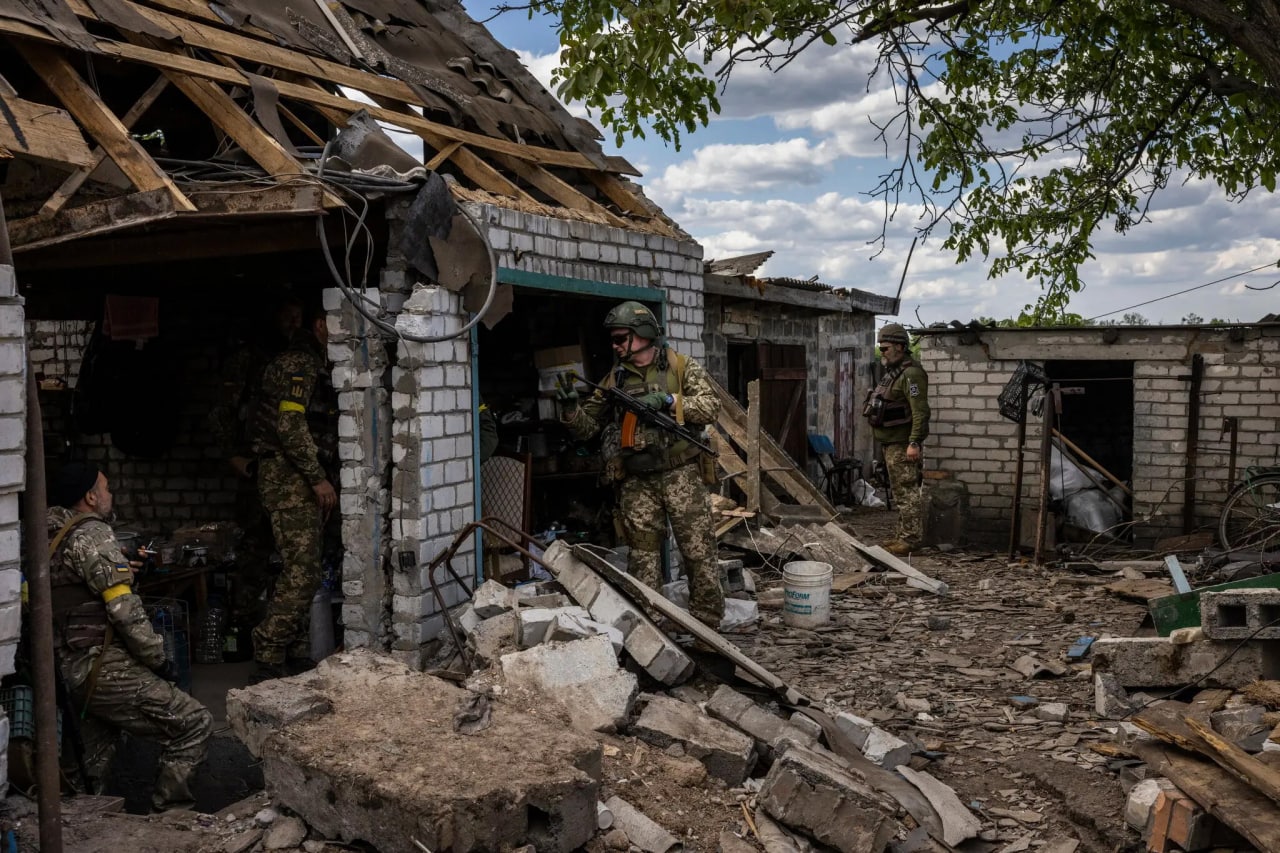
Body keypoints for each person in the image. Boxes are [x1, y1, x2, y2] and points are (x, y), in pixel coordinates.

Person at [47, 462, 212, 811]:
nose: (110, 495)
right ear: (90, 497)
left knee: (88, 766)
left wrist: (120, 566)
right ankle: (171, 818)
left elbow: (76, 590)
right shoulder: (92, 534)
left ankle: (80, 829)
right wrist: (158, 658)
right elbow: (125, 611)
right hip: (99, 666)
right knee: (193, 722)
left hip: (64, 669)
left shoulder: (49, 534)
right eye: (105, 488)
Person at [556, 301, 724, 629]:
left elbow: (710, 407)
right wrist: (570, 410)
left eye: (621, 338)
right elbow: (588, 428)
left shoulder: (680, 367)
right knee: (642, 559)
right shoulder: (614, 379)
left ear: (643, 335)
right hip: (637, 481)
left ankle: (709, 627)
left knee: (698, 553)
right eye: (614, 340)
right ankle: (649, 630)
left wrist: (669, 400)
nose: (615, 345)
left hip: (680, 475)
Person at [248, 303, 338, 682]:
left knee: (303, 568)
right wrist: (317, 477)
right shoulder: (300, 364)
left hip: (290, 475)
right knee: (302, 570)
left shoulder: (309, 361)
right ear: (321, 325)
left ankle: (295, 650)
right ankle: (269, 650)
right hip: (289, 477)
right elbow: (290, 425)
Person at [209, 295, 303, 643]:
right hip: (256, 467)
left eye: (298, 317)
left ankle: (289, 635)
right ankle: (242, 627)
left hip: (292, 471)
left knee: (297, 560)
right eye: (288, 316)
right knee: (255, 551)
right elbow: (221, 412)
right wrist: (233, 456)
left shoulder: (301, 359)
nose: (294, 323)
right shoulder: (250, 359)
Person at [864, 323, 931, 555]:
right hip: (891, 442)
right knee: (900, 492)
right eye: (880, 348)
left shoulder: (912, 374)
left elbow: (920, 410)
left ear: (901, 347)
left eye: (885, 348)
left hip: (903, 443)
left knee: (907, 492)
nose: (882, 352)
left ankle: (911, 539)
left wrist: (914, 442)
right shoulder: (894, 373)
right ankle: (902, 536)